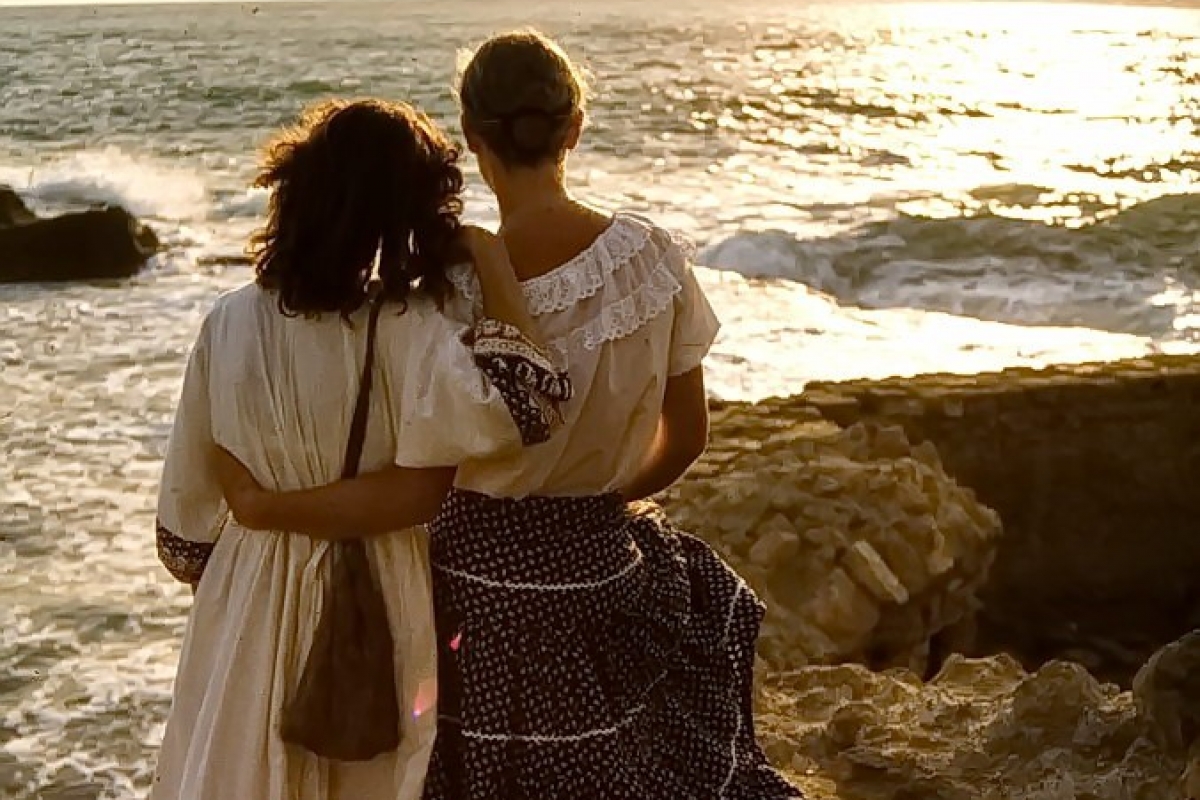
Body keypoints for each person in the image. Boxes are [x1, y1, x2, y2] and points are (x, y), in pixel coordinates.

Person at [216, 31, 802, 800]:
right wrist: (604, 502)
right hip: (601, 565)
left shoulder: (443, 287)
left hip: (470, 590)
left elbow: (411, 475)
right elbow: (686, 437)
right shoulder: (655, 260)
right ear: (575, 127)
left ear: (470, 135)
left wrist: (264, 507)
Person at [151, 97, 569, 800]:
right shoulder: (413, 328)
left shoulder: (227, 322)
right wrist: (488, 257)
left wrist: (258, 527)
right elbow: (531, 404)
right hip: (375, 586)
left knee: (233, 769)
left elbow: (185, 533)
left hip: (247, 590)